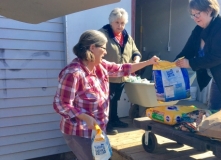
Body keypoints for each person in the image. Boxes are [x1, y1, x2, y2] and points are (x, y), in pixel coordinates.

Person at [53, 30, 159, 160]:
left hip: (97, 130)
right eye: (104, 48)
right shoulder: (73, 73)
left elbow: (122, 69)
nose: (106, 52)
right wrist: (85, 117)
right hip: (79, 133)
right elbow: (61, 104)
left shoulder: (100, 66)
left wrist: (149, 62)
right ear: (92, 48)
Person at [99, 8, 142, 135]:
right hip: (106, 76)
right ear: (111, 22)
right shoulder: (102, 35)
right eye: (117, 22)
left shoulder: (126, 36)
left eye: (123, 23)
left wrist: (136, 59)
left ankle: (114, 119)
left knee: (115, 99)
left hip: (121, 75)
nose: (120, 25)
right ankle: (106, 124)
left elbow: (135, 51)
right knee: (106, 100)